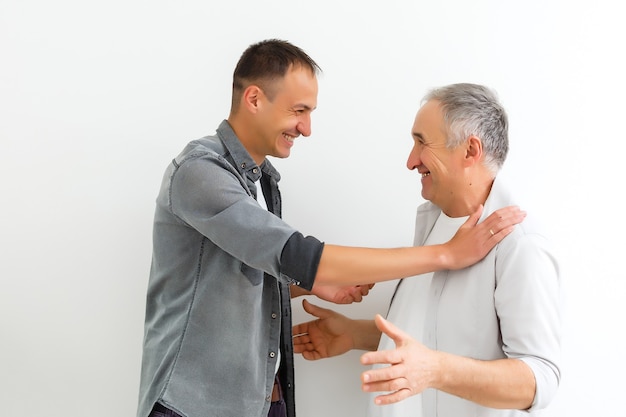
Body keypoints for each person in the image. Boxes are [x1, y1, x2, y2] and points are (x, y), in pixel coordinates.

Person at [136, 39, 525, 417]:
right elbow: (297, 254)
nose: (306, 128)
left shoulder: (260, 181)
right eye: (299, 110)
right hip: (192, 406)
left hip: (261, 403)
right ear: (254, 99)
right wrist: (446, 255)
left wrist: (312, 285)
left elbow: (235, 279)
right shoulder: (200, 173)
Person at [293, 83, 561, 417]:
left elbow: (540, 379)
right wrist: (352, 333)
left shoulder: (519, 243)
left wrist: (437, 371)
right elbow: (430, 333)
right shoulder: (433, 224)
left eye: (422, 142)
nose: (410, 161)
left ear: (470, 151)